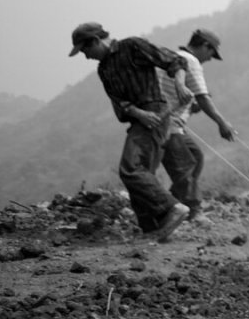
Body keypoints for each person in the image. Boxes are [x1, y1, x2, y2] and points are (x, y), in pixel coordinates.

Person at [69, 22, 191, 242]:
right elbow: (120, 102)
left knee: (131, 168)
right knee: (142, 174)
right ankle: (153, 228)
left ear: (95, 41)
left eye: (85, 50)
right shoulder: (104, 69)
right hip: (139, 118)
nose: (86, 56)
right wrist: (138, 114)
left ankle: (171, 208)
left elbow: (176, 61)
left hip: (156, 111)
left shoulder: (133, 46)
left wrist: (180, 84)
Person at [160, 28, 237, 223]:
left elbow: (179, 92)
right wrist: (222, 123)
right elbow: (203, 97)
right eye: (211, 53)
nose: (210, 59)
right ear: (204, 46)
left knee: (195, 156)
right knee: (185, 166)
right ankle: (193, 211)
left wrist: (189, 105)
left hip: (170, 121)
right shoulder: (190, 61)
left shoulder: (174, 57)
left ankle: (175, 205)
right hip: (169, 124)